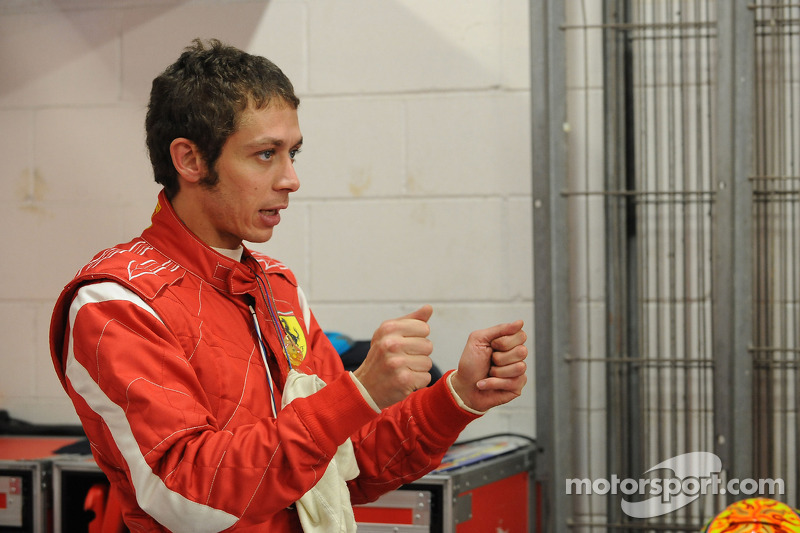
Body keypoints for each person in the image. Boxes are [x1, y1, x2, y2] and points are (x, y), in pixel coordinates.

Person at [49, 38, 528, 532]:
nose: (291, 179)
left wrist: (456, 398)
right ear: (190, 160)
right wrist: (358, 391)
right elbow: (189, 498)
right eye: (265, 155)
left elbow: (348, 467)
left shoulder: (277, 288)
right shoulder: (115, 301)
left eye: (293, 153)